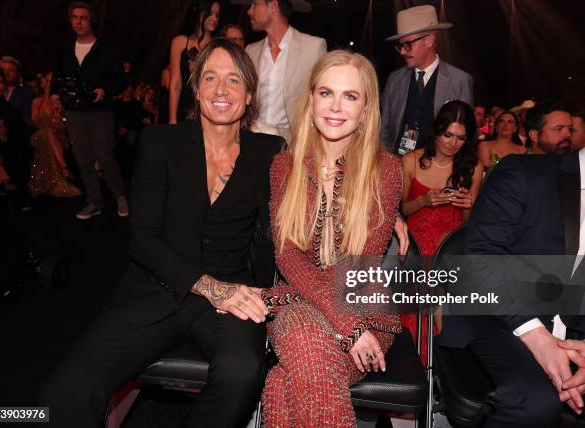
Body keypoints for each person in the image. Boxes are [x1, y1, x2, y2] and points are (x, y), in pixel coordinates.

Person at [39, 38, 283, 428]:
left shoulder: (270, 151)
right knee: (63, 394)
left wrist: (381, 211)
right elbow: (142, 239)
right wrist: (208, 285)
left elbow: (323, 180)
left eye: (234, 80)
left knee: (241, 372)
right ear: (196, 89)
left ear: (250, 93)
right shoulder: (161, 144)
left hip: (230, 298)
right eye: (210, 78)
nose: (221, 90)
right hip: (157, 289)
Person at [262, 50, 403, 427]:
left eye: (350, 96)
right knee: (305, 351)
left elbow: (361, 264)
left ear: (366, 108)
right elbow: (288, 256)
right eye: (326, 93)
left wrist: (354, 325)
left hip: (363, 308)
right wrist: (347, 329)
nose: (336, 107)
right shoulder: (285, 166)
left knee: (280, 382)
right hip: (300, 303)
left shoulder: (386, 171)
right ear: (311, 100)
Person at [436, 146, 585, 426]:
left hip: (572, 337)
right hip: (494, 320)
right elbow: (481, 256)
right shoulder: (524, 172)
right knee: (535, 402)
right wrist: (538, 338)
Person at [400, 100, 483, 362]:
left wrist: (468, 206)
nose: (452, 143)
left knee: (442, 264)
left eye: (460, 138)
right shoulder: (412, 160)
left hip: (451, 245)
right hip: (413, 243)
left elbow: (468, 226)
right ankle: (425, 363)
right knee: (429, 266)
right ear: (437, 131)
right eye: (448, 135)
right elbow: (400, 210)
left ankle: (441, 365)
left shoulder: (472, 168)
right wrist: (423, 201)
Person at [54, 1, 129, 219]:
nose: (78, 21)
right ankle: (94, 202)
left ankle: (120, 196)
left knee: (105, 158)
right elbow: (57, 76)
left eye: (83, 17)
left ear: (91, 20)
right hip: (73, 111)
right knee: (83, 159)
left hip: (99, 112)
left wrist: (105, 89)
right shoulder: (65, 49)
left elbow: (122, 82)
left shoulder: (106, 50)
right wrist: (54, 93)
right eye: (74, 17)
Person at [382, 5, 473, 154]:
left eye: (408, 44)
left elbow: (466, 134)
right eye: (400, 46)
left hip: (439, 169)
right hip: (399, 164)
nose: (403, 51)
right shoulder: (394, 80)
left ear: (429, 40)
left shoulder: (460, 81)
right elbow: (384, 131)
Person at [246, 0, 326, 139]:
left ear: (273, 6)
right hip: (253, 139)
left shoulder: (313, 47)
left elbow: (324, 98)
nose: (249, 11)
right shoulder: (251, 51)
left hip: (293, 143)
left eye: (254, 4)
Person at [28, 72, 82, 198]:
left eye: (52, 80)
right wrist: (47, 125)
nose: (49, 83)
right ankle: (64, 169)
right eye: (47, 80)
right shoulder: (37, 101)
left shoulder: (60, 100)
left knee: (49, 135)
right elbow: (34, 122)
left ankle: (47, 182)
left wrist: (60, 115)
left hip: (59, 137)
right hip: (40, 134)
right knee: (46, 133)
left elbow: (66, 124)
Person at [168, 1, 220, 124]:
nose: (214, 18)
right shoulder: (180, 42)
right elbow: (175, 84)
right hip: (184, 109)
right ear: (199, 13)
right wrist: (172, 119)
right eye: (210, 13)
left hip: (209, 111)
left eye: (217, 15)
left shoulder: (218, 46)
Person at [0, 56, 36, 124]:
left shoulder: (27, 94)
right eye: (3, 70)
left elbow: (26, 120)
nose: (6, 73)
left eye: (11, 70)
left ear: (18, 74)